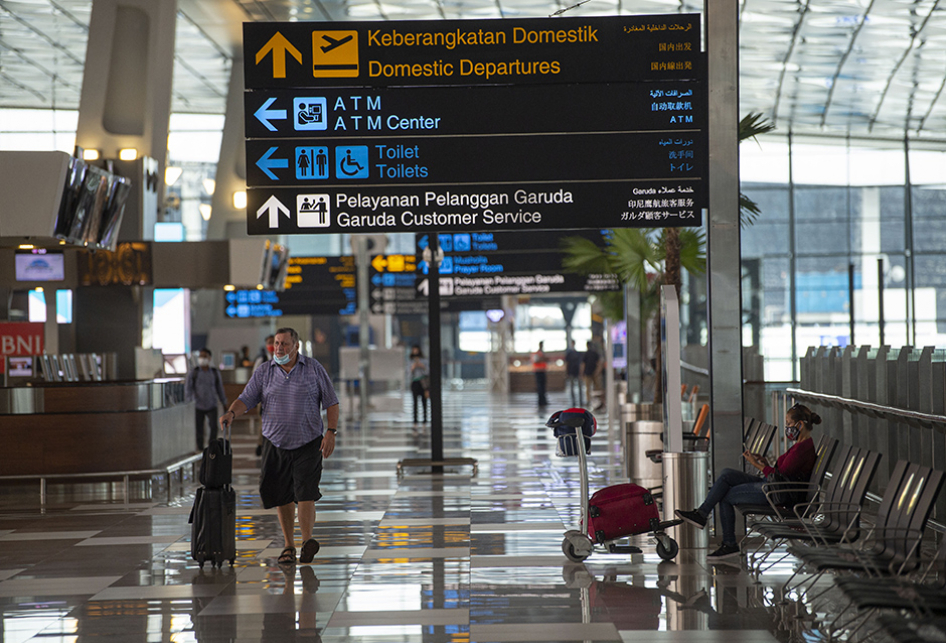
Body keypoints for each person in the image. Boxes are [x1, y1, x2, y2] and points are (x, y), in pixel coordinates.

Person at [221, 328, 338, 567]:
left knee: (306, 492)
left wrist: (331, 431)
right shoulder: (264, 371)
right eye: (277, 343)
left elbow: (331, 401)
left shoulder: (314, 368)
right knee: (282, 495)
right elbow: (247, 398)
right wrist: (232, 412)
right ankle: (288, 545)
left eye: (285, 344)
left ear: (296, 346)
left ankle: (307, 542)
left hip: (309, 442)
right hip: (275, 443)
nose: (280, 348)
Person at [675, 403, 820, 561]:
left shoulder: (802, 449)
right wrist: (764, 462)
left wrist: (757, 464)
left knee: (725, 495)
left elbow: (780, 476)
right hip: (773, 485)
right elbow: (783, 473)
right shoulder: (800, 446)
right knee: (726, 475)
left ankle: (728, 543)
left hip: (777, 494)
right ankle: (701, 514)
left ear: (800, 424)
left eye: (789, 424)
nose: (787, 427)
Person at [185, 348, 227, 451]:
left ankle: (211, 447)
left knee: (214, 427)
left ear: (209, 358)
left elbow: (219, 388)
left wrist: (224, 402)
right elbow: (188, 389)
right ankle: (200, 448)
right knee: (199, 428)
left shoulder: (214, 372)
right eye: (200, 356)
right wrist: (189, 401)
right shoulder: (194, 373)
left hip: (212, 404)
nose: (202, 359)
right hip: (198, 405)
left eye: (204, 356)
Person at [408, 345, 429, 424]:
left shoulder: (424, 361)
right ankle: (415, 420)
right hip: (415, 382)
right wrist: (412, 368)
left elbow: (427, 372)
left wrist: (422, 366)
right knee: (415, 402)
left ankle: (425, 419)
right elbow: (408, 374)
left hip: (423, 383)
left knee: (424, 401)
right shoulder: (410, 361)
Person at [580, 340, 602, 410]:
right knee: (597, 388)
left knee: (588, 388)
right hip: (594, 373)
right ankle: (598, 401)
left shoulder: (586, 354)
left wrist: (581, 373)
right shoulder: (595, 353)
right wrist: (597, 371)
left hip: (587, 373)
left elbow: (583, 365)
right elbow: (599, 363)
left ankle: (589, 401)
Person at [564, 339, 583, 407]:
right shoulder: (569, 354)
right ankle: (573, 401)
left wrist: (581, 372)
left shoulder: (578, 353)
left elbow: (581, 364)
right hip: (571, 372)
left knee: (580, 387)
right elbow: (567, 364)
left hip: (577, 371)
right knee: (572, 388)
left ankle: (581, 400)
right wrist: (567, 372)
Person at [532, 341, 549, 408]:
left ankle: (544, 401)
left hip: (543, 371)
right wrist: (543, 359)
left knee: (543, 387)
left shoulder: (542, 353)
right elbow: (536, 360)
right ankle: (540, 402)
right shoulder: (537, 353)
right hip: (538, 372)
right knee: (540, 387)